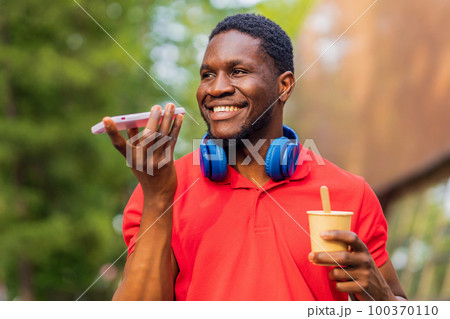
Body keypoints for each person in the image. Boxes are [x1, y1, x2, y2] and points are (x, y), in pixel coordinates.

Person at [102, 14, 407, 301]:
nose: (217, 88)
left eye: (238, 71)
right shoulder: (161, 187)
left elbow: (397, 303)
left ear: (283, 86)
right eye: (208, 75)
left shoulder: (350, 193)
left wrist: (379, 296)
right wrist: (158, 198)